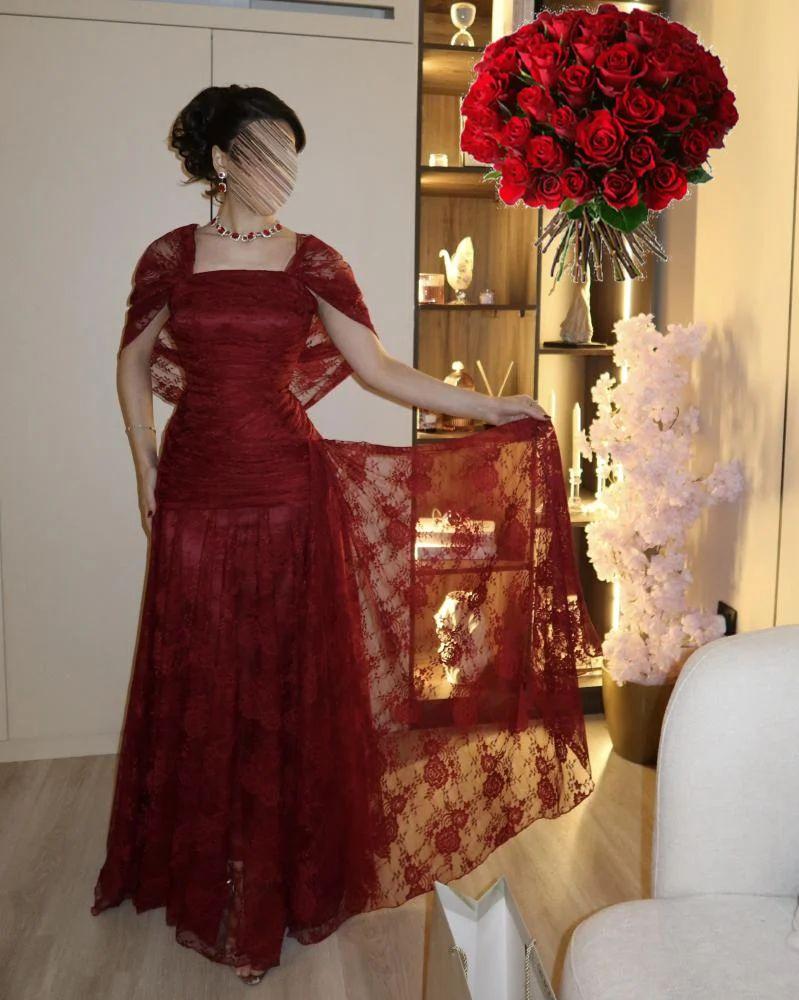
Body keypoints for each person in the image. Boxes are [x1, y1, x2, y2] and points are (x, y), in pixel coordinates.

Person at [90, 84, 601, 985]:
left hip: (291, 488)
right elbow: (132, 364)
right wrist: (143, 465)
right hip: (195, 487)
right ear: (221, 161)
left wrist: (487, 406)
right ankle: (202, 864)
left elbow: (378, 368)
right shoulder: (170, 256)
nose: (282, 171)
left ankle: (290, 871)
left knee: (284, 675)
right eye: (265, 152)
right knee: (202, 665)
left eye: (291, 153)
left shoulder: (314, 260)